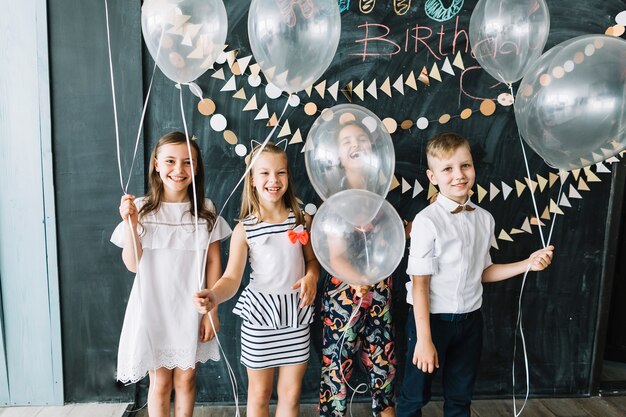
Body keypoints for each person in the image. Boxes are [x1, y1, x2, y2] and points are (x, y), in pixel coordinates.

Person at [396, 132, 555, 417]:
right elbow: (419, 284)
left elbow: (484, 271)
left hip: (471, 322)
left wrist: (527, 264)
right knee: (414, 395)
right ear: (433, 177)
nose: (459, 175)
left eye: (465, 165)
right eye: (448, 169)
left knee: (460, 397)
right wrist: (424, 338)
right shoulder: (426, 221)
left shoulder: (484, 218)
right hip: (430, 321)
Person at [193, 142, 320, 417]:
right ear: (252, 179)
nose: (273, 180)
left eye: (281, 173)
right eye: (264, 173)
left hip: (296, 315)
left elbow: (312, 262)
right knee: (260, 394)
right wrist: (214, 296)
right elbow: (231, 278)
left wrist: (311, 277)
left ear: (288, 176)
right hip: (261, 318)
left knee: (291, 394)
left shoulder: (301, 219)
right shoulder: (245, 228)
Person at [111, 131, 232, 417]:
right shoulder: (141, 208)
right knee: (161, 380)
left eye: (188, 162)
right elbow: (132, 264)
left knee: (187, 378)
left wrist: (210, 312)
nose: (179, 170)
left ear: (197, 167)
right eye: (170, 161)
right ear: (156, 164)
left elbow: (214, 262)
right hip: (154, 307)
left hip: (191, 306)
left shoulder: (205, 210)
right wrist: (130, 222)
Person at [319, 120, 397, 417]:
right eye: (346, 140)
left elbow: (395, 235)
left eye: (361, 138)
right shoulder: (334, 196)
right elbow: (336, 254)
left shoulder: (386, 191)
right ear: (338, 155)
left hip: (380, 290)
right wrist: (358, 280)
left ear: (372, 148)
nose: (355, 144)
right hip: (344, 293)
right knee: (337, 369)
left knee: (384, 367)